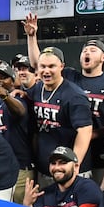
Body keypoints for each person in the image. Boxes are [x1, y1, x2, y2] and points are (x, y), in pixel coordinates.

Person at [25, 14, 104, 184]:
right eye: (84, 50)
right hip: (59, 152)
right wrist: (32, 37)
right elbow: (39, 63)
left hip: (97, 149)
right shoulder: (70, 76)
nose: (87, 53)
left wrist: (94, 134)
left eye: (93, 50)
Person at [26, 47, 93, 184]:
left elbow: (85, 131)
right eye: (43, 66)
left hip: (69, 170)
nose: (46, 71)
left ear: (62, 66)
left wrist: (75, 164)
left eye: (51, 66)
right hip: (45, 169)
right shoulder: (38, 89)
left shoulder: (75, 95)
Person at [0, 62, 34, 204]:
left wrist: (4, 95)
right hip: (0, 167)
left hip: (19, 168)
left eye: (4, 77)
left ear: (12, 81)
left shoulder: (18, 98)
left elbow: (20, 111)